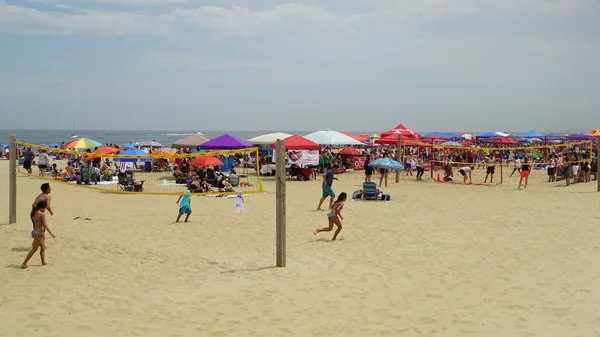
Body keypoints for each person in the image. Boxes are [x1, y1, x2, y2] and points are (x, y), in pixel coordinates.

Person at [21, 201, 55, 269]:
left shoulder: (34, 212)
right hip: (39, 234)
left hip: (35, 232)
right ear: (42, 207)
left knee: (43, 248)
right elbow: (44, 224)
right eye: (44, 208)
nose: (45, 210)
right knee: (34, 249)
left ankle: (43, 262)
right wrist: (50, 233)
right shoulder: (41, 214)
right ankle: (24, 263)